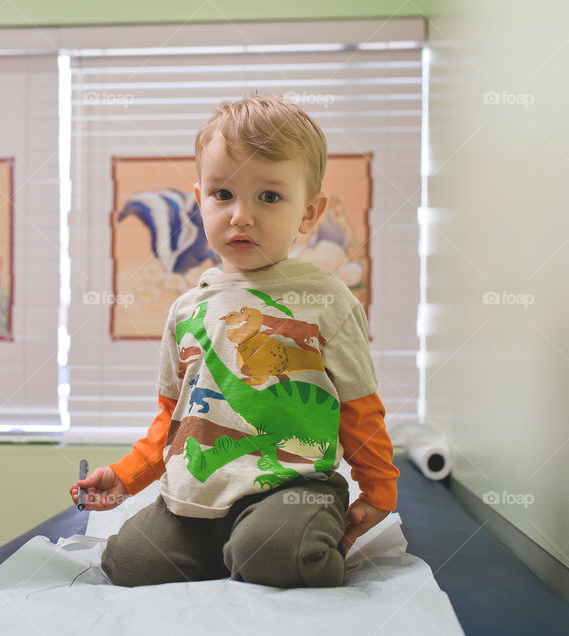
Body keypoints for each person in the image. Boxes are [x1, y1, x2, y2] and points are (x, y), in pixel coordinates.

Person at [69, 95, 399, 589]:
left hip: (290, 488)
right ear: (199, 199)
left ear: (309, 213)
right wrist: (124, 477)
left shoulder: (325, 300)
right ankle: (230, 550)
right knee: (131, 562)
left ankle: (260, 549)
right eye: (223, 194)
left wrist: (379, 490)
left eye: (268, 197)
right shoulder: (186, 310)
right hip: (197, 492)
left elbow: (360, 407)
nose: (240, 215)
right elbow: (174, 419)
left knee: (276, 553)